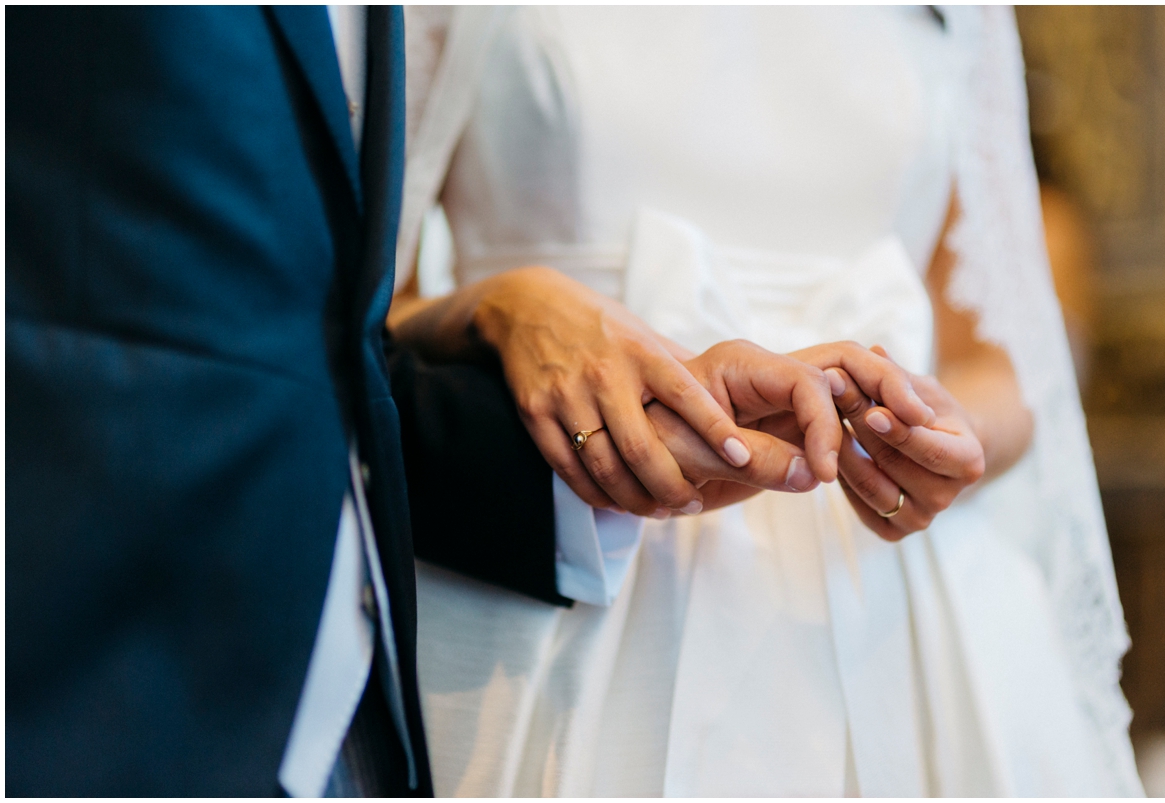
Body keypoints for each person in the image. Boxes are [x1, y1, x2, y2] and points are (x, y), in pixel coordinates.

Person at [5, 7, 887, 796]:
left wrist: (905, 426)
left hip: (868, 598)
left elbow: (335, 328)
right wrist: (507, 303)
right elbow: (359, 300)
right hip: (124, 631)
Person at [387, 6, 1143, 796]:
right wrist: (505, 306)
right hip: (565, 551)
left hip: (903, 600)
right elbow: (349, 324)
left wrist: (941, 434)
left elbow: (1008, 353)